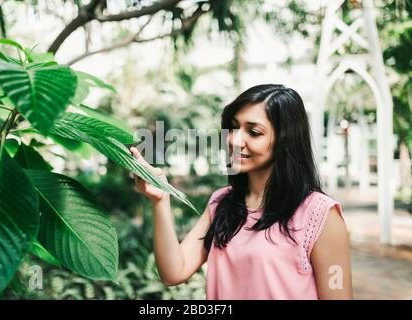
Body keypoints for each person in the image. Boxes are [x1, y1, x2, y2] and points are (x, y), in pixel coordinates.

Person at [131, 84, 352, 300]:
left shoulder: (321, 215)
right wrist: (161, 200)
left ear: (285, 140)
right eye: (234, 127)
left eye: (254, 132)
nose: (235, 141)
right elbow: (173, 272)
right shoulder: (221, 203)